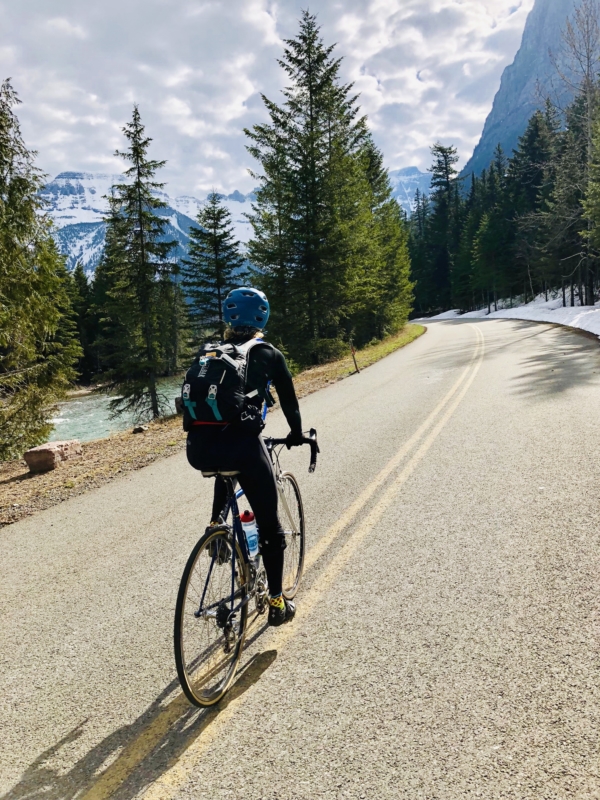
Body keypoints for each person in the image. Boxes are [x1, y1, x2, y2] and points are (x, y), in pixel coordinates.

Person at [186, 287, 304, 626]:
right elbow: (291, 403)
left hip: (199, 449)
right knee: (271, 528)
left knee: (225, 466)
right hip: (243, 446)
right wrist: (296, 434)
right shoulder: (268, 353)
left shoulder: (211, 352)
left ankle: (215, 526)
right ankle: (278, 603)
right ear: (262, 317)